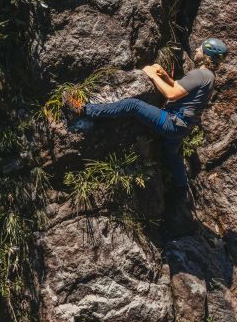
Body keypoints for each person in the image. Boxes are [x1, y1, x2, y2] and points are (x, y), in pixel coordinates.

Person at [63, 37, 228, 200]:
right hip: (182, 128)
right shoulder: (209, 76)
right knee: (171, 153)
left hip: (172, 122)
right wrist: (164, 76)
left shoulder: (200, 74)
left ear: (207, 54)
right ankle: (182, 188)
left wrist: (152, 75)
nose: (197, 49)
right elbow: (180, 89)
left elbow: (172, 94)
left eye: (201, 48)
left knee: (133, 106)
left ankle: (83, 110)